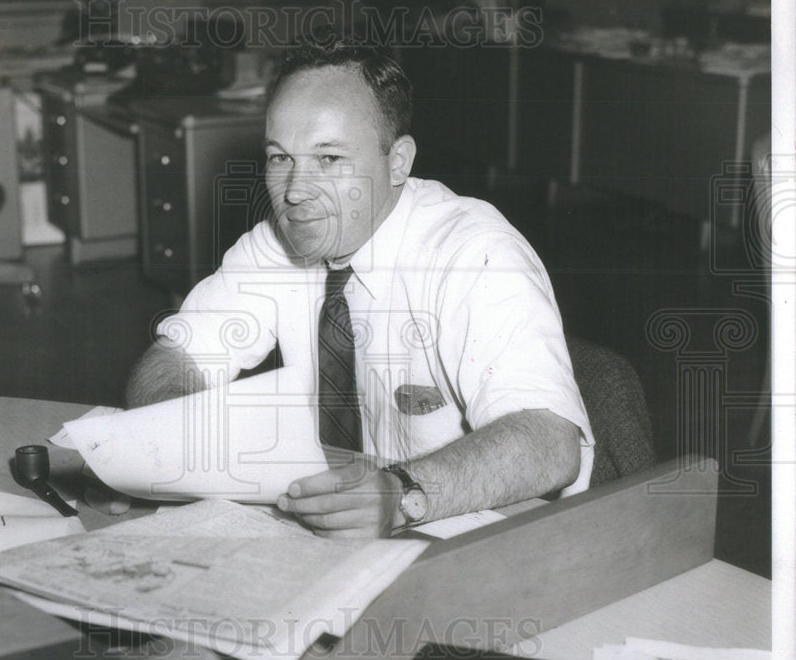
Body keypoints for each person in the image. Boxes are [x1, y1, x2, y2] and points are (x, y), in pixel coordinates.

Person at [116, 36, 594, 537]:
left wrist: (401, 493)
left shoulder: (475, 254)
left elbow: (550, 440)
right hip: (341, 538)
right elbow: (175, 360)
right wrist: (161, 450)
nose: (296, 192)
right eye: (280, 158)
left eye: (329, 159)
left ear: (398, 162)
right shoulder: (277, 245)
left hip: (489, 536)